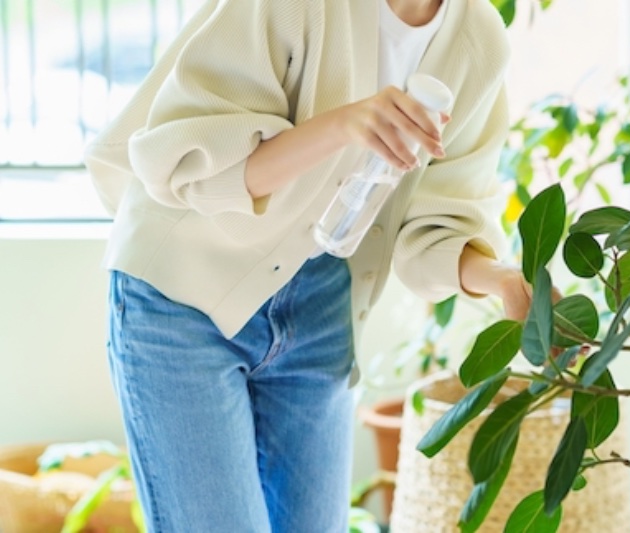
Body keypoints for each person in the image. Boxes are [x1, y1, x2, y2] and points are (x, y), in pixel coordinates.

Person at [84, 0, 530, 531]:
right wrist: (344, 125)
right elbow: (192, 162)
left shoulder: (478, 39)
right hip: (183, 294)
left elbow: (437, 223)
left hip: (320, 304)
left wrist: (499, 278)